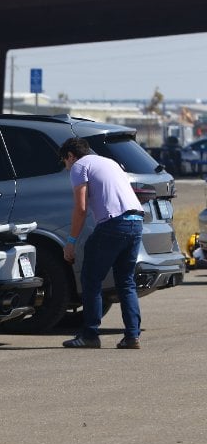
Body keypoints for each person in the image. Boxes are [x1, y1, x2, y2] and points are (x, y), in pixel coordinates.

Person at [59, 137, 144, 349]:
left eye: (64, 162)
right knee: (126, 282)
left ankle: (90, 334)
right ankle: (132, 336)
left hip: (113, 225)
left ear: (70, 156)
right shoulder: (109, 162)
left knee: (91, 278)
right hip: (136, 221)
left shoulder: (79, 166)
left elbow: (80, 208)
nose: (66, 166)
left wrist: (71, 242)